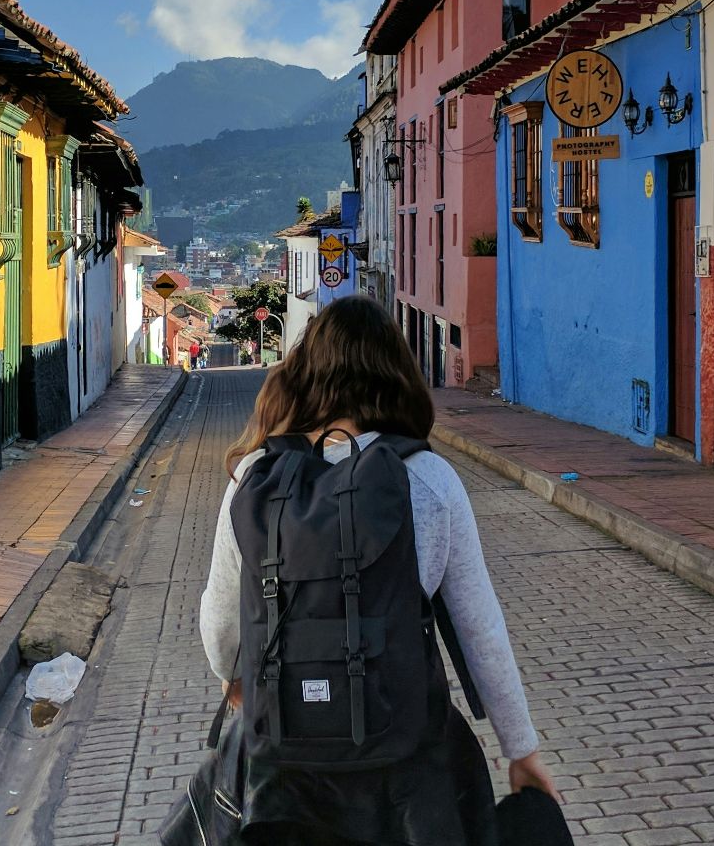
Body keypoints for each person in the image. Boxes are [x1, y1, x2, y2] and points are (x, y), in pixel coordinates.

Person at [199, 295, 556, 845]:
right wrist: (521, 749)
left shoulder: (255, 476)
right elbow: (480, 631)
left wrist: (233, 675)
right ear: (396, 374)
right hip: (407, 773)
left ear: (307, 373)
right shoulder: (430, 479)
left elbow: (222, 621)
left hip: (285, 772)